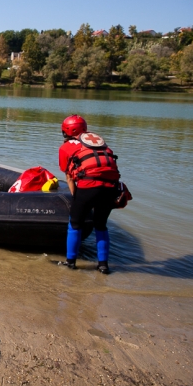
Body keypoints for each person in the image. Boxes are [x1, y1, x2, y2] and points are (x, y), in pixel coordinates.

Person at [58, 115, 120, 274]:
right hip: (111, 188)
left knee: (75, 224)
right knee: (101, 225)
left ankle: (70, 262)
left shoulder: (65, 147)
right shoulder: (100, 144)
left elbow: (70, 176)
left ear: (66, 131)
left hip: (88, 187)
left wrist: (76, 199)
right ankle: (103, 266)